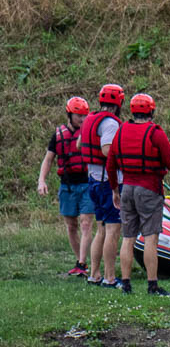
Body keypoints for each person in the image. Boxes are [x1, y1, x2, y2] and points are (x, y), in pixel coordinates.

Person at [106, 93, 170, 297]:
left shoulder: (121, 131)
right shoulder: (156, 133)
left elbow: (110, 165)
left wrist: (115, 190)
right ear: (151, 112)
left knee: (128, 237)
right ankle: (152, 285)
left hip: (127, 189)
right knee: (150, 238)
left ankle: (126, 285)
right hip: (149, 189)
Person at [37, 96, 94, 276]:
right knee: (71, 225)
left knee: (86, 223)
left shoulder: (89, 133)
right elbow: (48, 160)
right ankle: (79, 261)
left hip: (87, 184)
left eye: (84, 116)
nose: (82, 119)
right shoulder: (58, 135)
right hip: (67, 186)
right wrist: (41, 180)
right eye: (78, 116)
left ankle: (82, 264)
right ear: (69, 115)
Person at [78, 84, 125, 289]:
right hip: (108, 183)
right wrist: (126, 158)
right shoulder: (111, 123)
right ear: (119, 103)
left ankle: (94, 275)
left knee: (101, 229)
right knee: (113, 230)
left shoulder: (90, 118)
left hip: (93, 180)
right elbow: (107, 150)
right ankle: (110, 278)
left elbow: (79, 144)